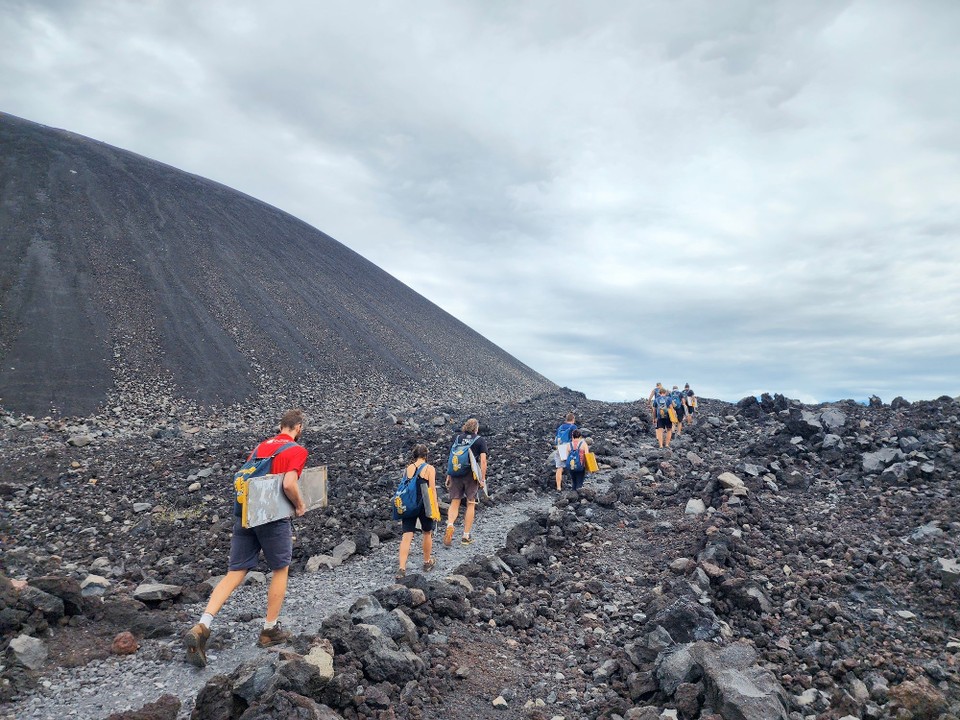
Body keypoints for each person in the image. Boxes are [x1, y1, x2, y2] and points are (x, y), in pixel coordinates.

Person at [183, 409, 308, 668]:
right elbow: (288, 484)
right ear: (298, 428)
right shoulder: (296, 450)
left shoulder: (261, 447)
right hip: (271, 517)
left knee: (235, 572)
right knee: (280, 568)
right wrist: (299, 505)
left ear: (280, 425)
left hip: (245, 514)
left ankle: (203, 624)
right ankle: (269, 630)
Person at [443, 417, 488, 546]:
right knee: (470, 503)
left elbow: (451, 457)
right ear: (476, 428)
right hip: (471, 475)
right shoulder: (479, 440)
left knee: (455, 501)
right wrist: (482, 478)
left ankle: (450, 524)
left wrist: (449, 474)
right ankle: (466, 536)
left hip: (456, 472)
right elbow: (483, 461)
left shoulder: (457, 438)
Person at [396, 444, 438, 579]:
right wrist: (435, 508)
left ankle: (402, 568)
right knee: (427, 532)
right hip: (424, 503)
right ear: (426, 455)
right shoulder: (429, 468)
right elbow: (432, 489)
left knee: (407, 534)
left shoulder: (408, 468)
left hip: (409, 503)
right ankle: (427, 562)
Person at [554, 412, 577, 491]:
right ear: (573, 419)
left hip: (559, 448)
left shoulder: (560, 427)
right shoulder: (573, 427)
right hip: (568, 448)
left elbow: (556, 439)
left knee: (559, 468)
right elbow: (575, 439)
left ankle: (558, 487)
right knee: (574, 465)